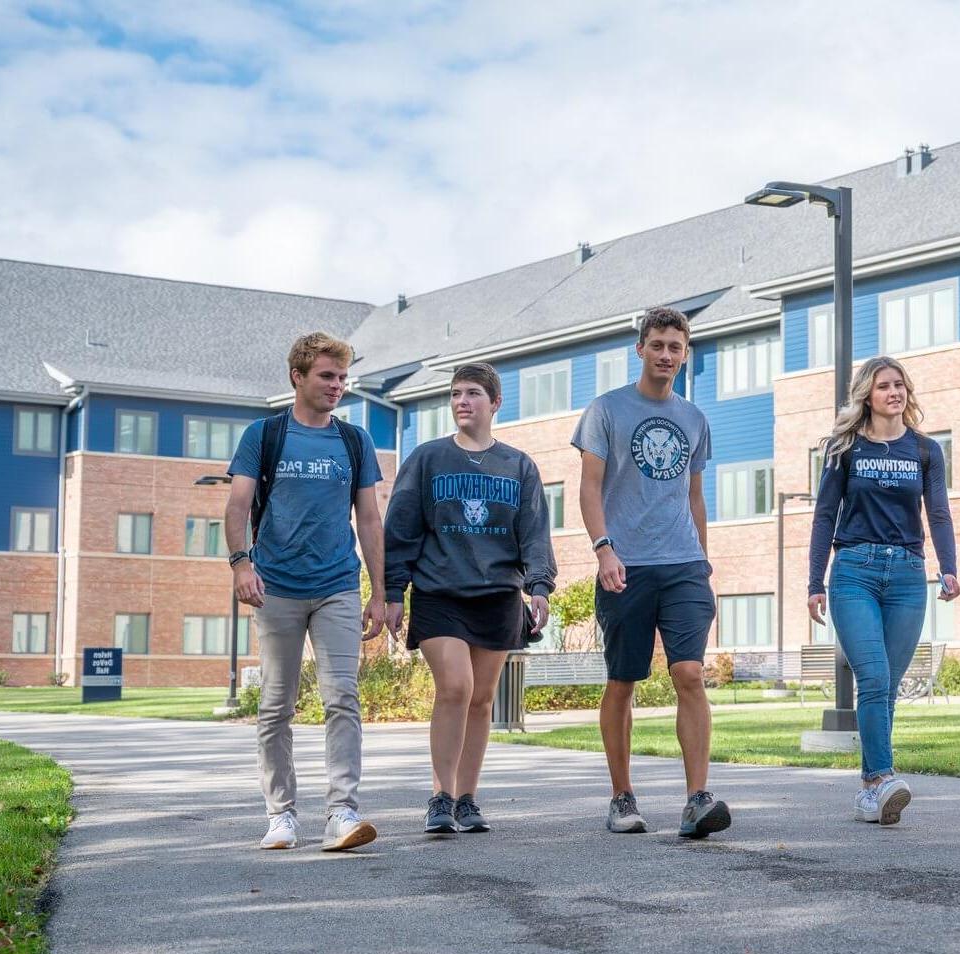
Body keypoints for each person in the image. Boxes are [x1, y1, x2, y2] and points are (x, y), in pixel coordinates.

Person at [571, 306, 729, 838]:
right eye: (657, 345)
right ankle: (622, 796)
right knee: (623, 681)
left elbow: (695, 496)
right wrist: (603, 550)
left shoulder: (694, 418)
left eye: (675, 348)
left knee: (689, 673)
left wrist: (704, 564)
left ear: (686, 355)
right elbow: (589, 488)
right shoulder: (607, 410)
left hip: (683, 562)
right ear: (640, 349)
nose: (666, 355)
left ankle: (697, 799)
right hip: (626, 564)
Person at [225, 331, 385, 851]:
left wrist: (379, 591)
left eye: (343, 377)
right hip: (277, 587)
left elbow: (369, 518)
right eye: (326, 376)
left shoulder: (354, 441)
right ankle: (281, 815)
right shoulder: (264, 435)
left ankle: (342, 812)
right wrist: (241, 564)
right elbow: (236, 505)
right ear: (297, 377)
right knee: (276, 704)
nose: (337, 385)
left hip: (337, 582)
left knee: (342, 698)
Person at [383, 362, 557, 834]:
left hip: (498, 596)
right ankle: (440, 796)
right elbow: (399, 530)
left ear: (495, 402)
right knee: (455, 687)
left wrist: (539, 586)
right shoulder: (427, 459)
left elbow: (535, 534)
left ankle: (467, 799)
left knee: (482, 699)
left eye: (474, 393)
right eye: (457, 393)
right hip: (440, 592)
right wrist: (392, 591)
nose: (463, 401)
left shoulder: (518, 465)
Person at [807, 356, 959, 825]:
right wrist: (815, 582)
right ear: (866, 397)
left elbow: (938, 513)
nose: (894, 392)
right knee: (872, 678)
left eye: (899, 385)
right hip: (854, 570)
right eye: (883, 386)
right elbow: (824, 515)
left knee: (887, 687)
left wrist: (949, 568)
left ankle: (870, 791)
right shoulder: (844, 448)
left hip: (909, 575)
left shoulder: (926, 450)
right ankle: (881, 779)